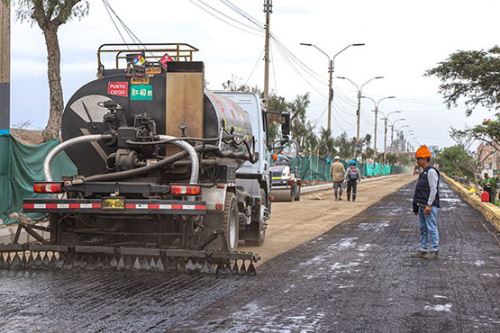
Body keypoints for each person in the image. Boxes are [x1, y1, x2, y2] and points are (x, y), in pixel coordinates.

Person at [411, 145, 440, 260]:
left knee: (431, 227)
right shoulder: (423, 172)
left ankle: (434, 250)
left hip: (429, 206)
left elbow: (434, 189)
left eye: (418, 159)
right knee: (423, 228)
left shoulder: (431, 172)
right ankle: (423, 249)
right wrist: (416, 206)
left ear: (424, 159)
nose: (417, 162)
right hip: (422, 206)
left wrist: (429, 204)